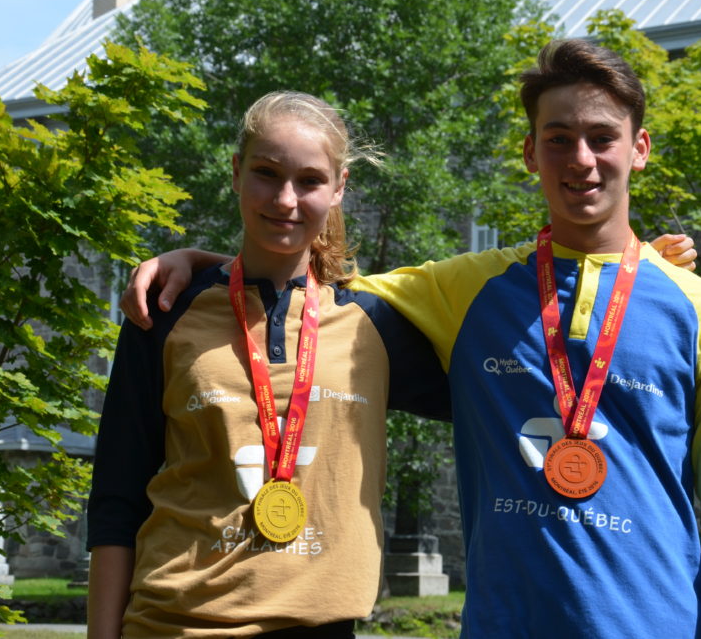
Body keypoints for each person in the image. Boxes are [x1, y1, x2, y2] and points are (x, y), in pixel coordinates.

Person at [122, 39, 701, 638]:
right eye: (559, 138)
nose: (581, 159)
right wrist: (202, 266)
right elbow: (311, 290)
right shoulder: (468, 291)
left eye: (602, 138)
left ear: (640, 148)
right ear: (530, 152)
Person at [86, 91, 451, 638]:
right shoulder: (166, 311)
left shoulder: (373, 326)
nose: (285, 199)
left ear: (339, 188)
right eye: (266, 173)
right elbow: (117, 497)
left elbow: (498, 400)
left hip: (321, 623)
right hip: (172, 624)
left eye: (309, 181)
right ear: (236, 173)